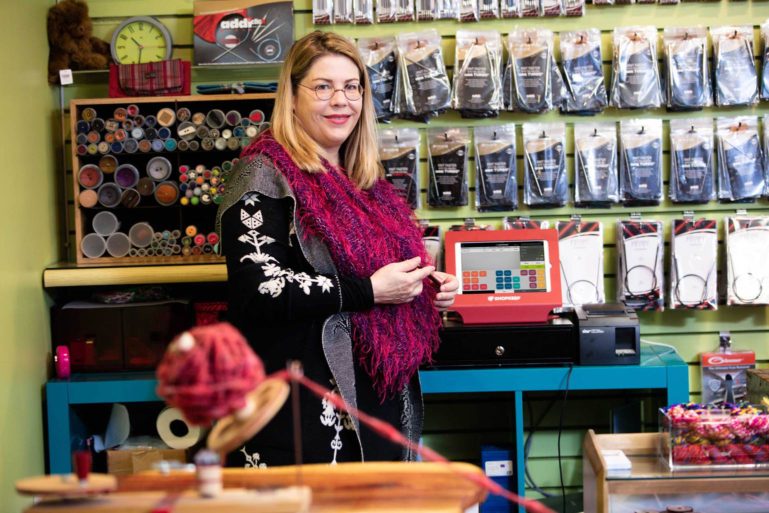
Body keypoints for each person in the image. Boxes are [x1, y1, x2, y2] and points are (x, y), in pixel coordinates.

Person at [216, 31, 459, 468]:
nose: (340, 101)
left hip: (372, 399)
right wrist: (369, 290)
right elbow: (258, 289)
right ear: (291, 97)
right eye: (323, 87)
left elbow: (380, 275)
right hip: (300, 415)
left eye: (351, 87)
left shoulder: (364, 185)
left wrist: (423, 287)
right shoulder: (262, 174)